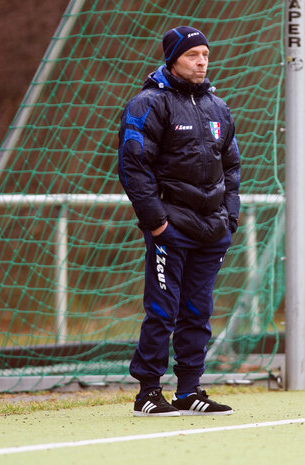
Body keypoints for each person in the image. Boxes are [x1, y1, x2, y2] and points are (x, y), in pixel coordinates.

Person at [117, 26, 241, 417]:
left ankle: (190, 391)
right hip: (171, 230)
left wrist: (230, 219)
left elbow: (233, 167)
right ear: (173, 59)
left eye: (205, 54)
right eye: (192, 55)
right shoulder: (148, 104)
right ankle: (148, 393)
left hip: (212, 232)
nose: (202, 61)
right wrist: (157, 224)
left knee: (198, 312)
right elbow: (133, 168)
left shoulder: (218, 108)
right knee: (162, 311)